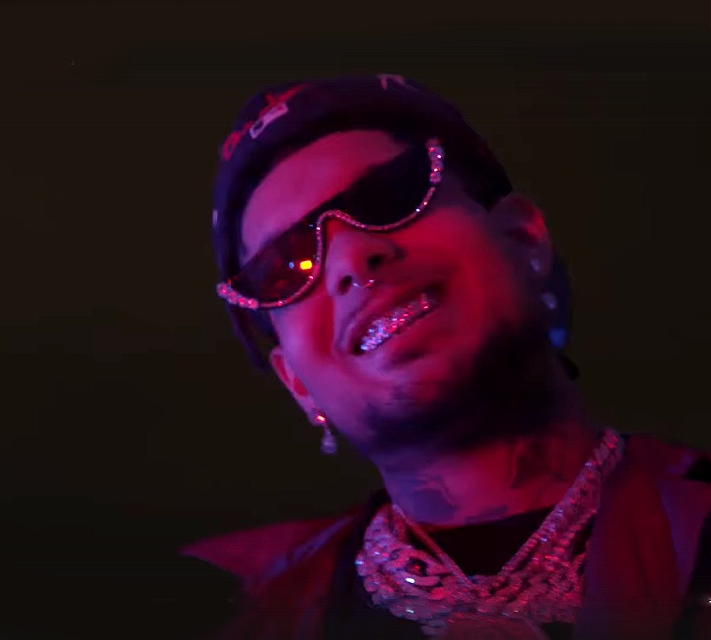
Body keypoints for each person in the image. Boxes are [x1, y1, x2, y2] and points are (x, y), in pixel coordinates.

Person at [181, 74, 711, 639]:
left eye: (389, 195)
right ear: (297, 385)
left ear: (523, 240)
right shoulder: (236, 613)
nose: (351, 258)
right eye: (286, 266)